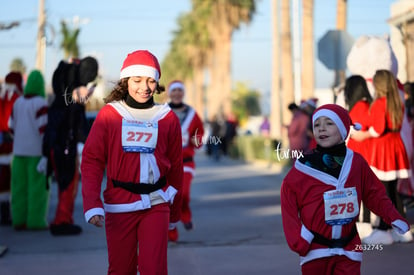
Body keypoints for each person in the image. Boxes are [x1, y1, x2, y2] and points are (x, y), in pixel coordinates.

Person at [81, 50, 183, 275]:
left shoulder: (167, 118)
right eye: (137, 80)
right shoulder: (109, 115)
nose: (144, 87)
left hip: (157, 204)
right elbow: (92, 160)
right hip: (119, 205)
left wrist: (175, 212)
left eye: (150, 80)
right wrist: (92, 203)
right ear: (126, 81)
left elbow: (176, 168)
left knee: (154, 270)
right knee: (120, 270)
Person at [281, 103, 410, 275]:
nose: (321, 129)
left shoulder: (356, 162)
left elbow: (374, 193)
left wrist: (393, 216)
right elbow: (288, 199)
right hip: (315, 249)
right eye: (317, 124)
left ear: (343, 128)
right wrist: (299, 238)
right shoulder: (305, 164)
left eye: (329, 123)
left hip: (350, 247)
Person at [352, 70, 412, 244]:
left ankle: (383, 229)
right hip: (396, 147)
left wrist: (362, 136)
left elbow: (377, 129)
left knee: (383, 192)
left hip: (383, 150)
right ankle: (401, 230)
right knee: (394, 191)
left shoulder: (380, 103)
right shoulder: (397, 102)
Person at [41, 56, 98, 236]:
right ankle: (62, 220)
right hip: (66, 148)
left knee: (65, 185)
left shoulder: (58, 102)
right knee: (68, 185)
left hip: (56, 147)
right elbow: (77, 127)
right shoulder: (73, 101)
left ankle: (63, 219)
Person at [9, 70, 49, 230]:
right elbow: (44, 129)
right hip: (36, 154)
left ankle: (18, 220)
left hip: (18, 154)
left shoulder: (17, 102)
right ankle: (36, 221)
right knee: (37, 190)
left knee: (18, 189)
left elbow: (10, 127)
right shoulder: (41, 103)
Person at [167, 80, 204, 242]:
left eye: (179, 90)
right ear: (169, 93)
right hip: (166, 163)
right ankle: (172, 231)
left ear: (183, 93)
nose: (176, 93)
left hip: (186, 161)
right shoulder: (162, 111)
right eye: (173, 90)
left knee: (184, 194)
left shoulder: (192, 114)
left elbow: (199, 133)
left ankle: (185, 215)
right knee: (169, 197)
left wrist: (197, 141)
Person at [343, 75, 373, 227]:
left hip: (361, 153)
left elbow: (357, 131)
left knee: (360, 190)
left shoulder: (360, 107)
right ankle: (364, 222)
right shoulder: (364, 105)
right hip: (360, 153)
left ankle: (364, 223)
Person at [0, 72, 22, 225]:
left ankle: (5, 212)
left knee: (3, 180)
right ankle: (9, 213)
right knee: (13, 180)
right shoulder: (16, 98)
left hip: (3, 144)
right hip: (12, 145)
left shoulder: (2, 97)